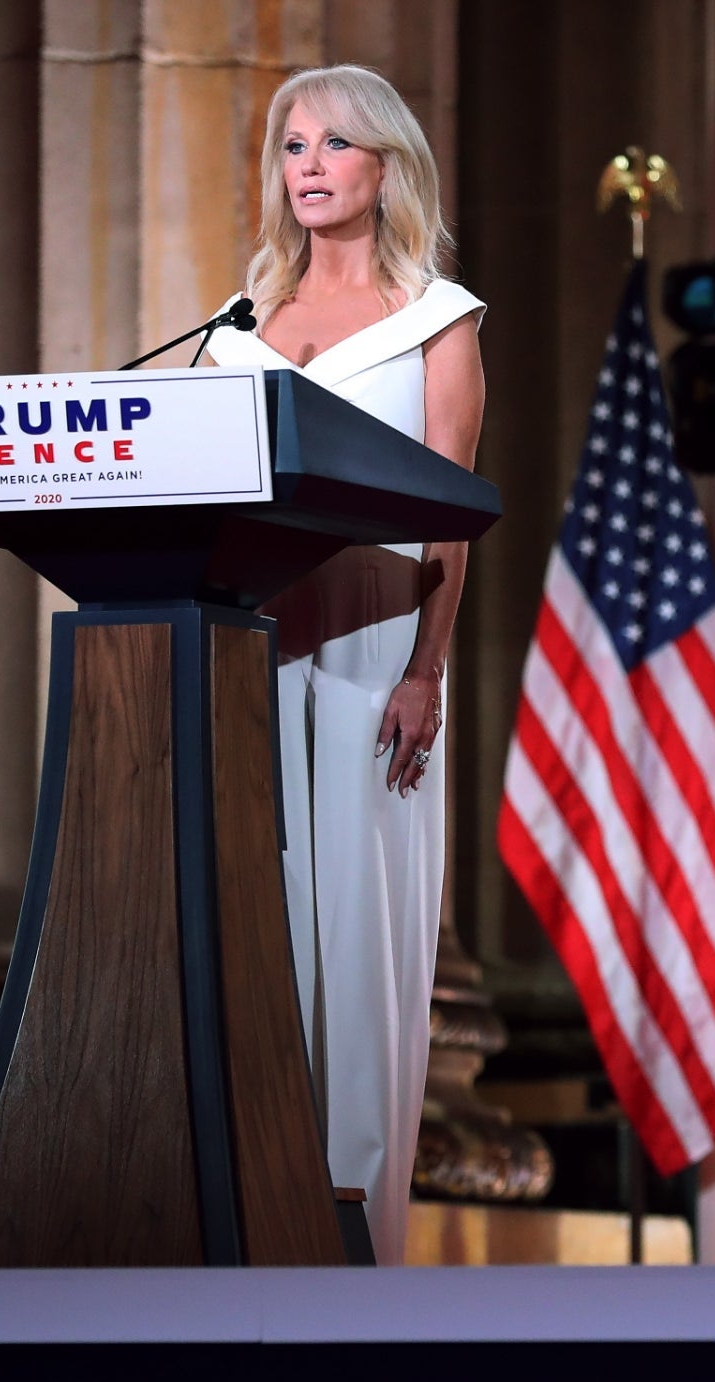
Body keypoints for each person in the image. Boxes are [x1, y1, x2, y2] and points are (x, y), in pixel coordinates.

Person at [203, 64, 486, 1267]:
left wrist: (426, 668)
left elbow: (450, 520)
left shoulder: (439, 319)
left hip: (374, 658)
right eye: (291, 146)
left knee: (357, 941)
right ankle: (245, 1211)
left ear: (384, 165)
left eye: (333, 144)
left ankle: (351, 1240)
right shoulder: (233, 328)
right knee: (250, 934)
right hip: (244, 651)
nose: (309, 165)